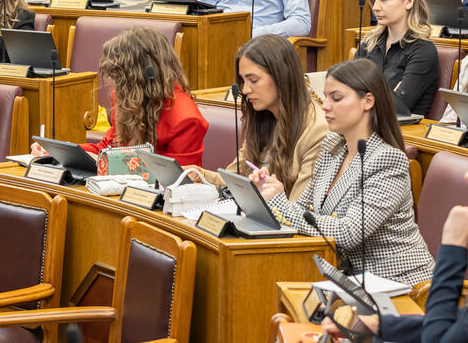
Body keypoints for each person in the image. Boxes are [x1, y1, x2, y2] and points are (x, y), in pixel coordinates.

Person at [253, 58, 435, 285]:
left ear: (367, 101)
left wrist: (279, 202)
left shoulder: (388, 160)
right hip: (346, 278)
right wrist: (269, 192)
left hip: (398, 284)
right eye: (325, 97)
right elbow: (303, 210)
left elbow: (349, 232)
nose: (325, 106)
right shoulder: (332, 147)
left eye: (336, 98)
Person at [321, 170, 468, 341]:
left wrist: (452, 248)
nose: (466, 175)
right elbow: (456, 326)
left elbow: (436, 339)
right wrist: (377, 325)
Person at [30, 27, 208, 165]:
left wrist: (109, 165)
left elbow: (177, 179)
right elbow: (107, 148)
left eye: (122, 78)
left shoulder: (186, 119)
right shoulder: (126, 96)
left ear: (140, 78)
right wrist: (58, 152)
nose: (115, 85)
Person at [200, 35, 329, 200]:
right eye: (243, 81)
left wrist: (273, 197)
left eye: (253, 80)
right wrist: (200, 175)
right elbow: (235, 181)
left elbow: (299, 207)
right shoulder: (263, 117)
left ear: (282, 77)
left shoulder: (318, 130)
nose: (245, 90)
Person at [355, 0, 439, 117]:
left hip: (399, 131)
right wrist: (387, 95)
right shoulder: (369, 43)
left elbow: (394, 109)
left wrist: (364, 98)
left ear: (409, 1)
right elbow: (349, 95)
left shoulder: (423, 51)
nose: (375, 7)